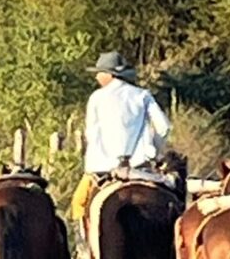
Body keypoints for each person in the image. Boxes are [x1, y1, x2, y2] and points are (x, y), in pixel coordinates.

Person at [70, 51, 172, 221]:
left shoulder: (96, 98)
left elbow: (91, 134)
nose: (96, 77)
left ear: (109, 75)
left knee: (79, 203)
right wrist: (153, 151)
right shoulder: (142, 95)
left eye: (99, 73)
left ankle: (81, 238)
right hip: (139, 167)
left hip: (102, 169)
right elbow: (164, 127)